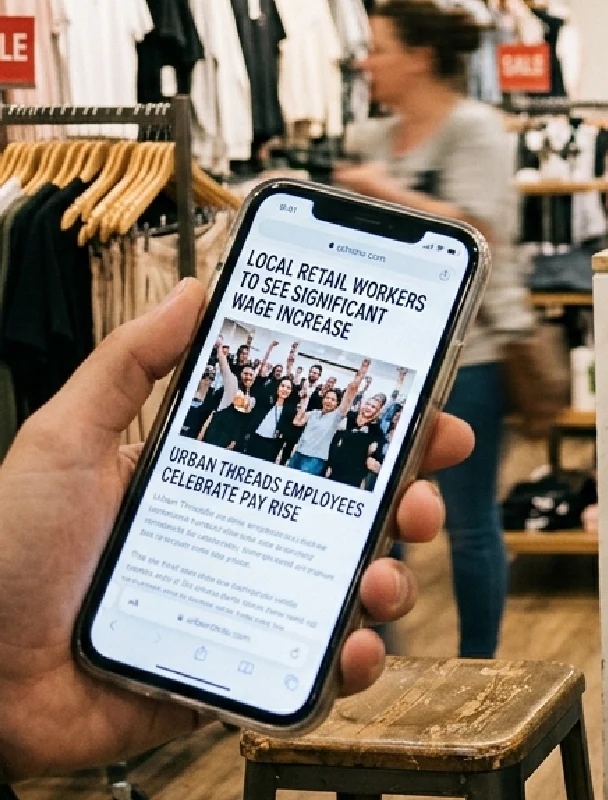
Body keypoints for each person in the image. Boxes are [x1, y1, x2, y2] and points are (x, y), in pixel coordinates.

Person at [0, 278, 471, 781]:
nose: (291, 386)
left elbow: (348, 398)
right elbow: (263, 391)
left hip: (314, 469)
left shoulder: (346, 416)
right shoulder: (275, 398)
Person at [335, 0, 528, 660]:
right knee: (373, 520)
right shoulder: (369, 139)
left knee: (469, 524)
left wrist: (381, 190)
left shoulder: (474, 129)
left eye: (379, 48)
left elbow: (478, 229)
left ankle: (478, 667)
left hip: (467, 356)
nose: (366, 63)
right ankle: (376, 661)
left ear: (419, 58)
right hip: (383, 356)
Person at [289, 362, 370, 477]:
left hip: (314, 459)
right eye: (327, 398)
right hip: (298, 453)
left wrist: (360, 376)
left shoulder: (336, 416)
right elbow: (297, 422)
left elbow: (350, 393)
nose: (328, 401)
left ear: (337, 403)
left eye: (333, 400)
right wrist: (304, 400)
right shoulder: (314, 413)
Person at [328, 393, 390, 490]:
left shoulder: (377, 432)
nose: (368, 408)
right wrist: (329, 465)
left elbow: (375, 456)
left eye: (373, 407)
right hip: (334, 470)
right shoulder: (350, 417)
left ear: (377, 412)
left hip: (354, 476)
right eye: (367, 404)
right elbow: (335, 442)